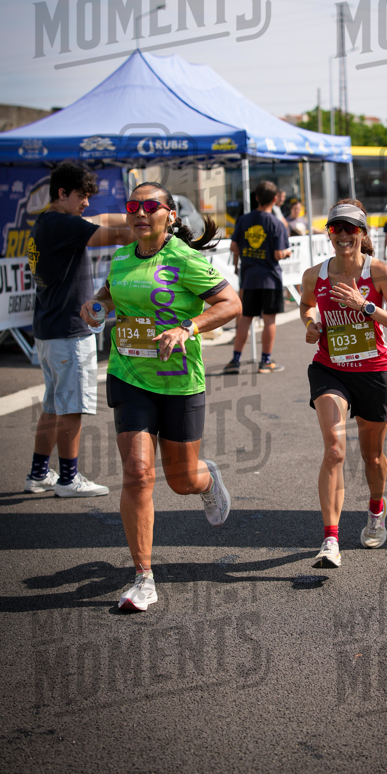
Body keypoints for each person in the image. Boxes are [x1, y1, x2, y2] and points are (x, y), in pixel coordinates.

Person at [81, 181, 241, 611]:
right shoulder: (121, 257)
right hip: (129, 375)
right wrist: (97, 306)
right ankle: (143, 577)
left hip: (178, 381)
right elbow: (110, 293)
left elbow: (231, 304)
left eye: (150, 206)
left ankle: (207, 480)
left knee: (181, 480)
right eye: (133, 205)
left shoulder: (184, 259)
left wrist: (188, 327)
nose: (139, 212)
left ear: (170, 215)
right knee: (137, 474)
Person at [300, 199, 387, 568]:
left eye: (351, 228)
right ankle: (330, 539)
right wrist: (312, 323)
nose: (343, 234)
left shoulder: (379, 272)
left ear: (363, 233)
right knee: (334, 450)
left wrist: (364, 305)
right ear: (329, 234)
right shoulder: (315, 275)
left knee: (372, 457)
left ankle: (376, 509)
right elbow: (306, 305)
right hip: (330, 368)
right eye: (336, 228)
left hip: (373, 372)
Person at [25, 161, 133, 497]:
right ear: (62, 193)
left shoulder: (47, 221)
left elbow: (104, 220)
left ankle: (38, 474)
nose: (86, 202)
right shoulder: (63, 224)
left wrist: (135, 216)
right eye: (81, 196)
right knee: (71, 409)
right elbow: (117, 234)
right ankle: (69, 480)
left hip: (49, 328)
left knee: (53, 406)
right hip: (69, 331)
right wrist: (153, 231)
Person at [224, 180, 292, 374]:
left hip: (249, 277)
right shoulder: (276, 223)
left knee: (245, 319)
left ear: (256, 197)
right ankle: (266, 361)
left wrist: (241, 261)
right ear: (274, 199)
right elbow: (278, 254)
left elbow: (234, 246)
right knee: (269, 320)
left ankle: (235, 360)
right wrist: (287, 253)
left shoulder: (244, 220)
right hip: (270, 278)